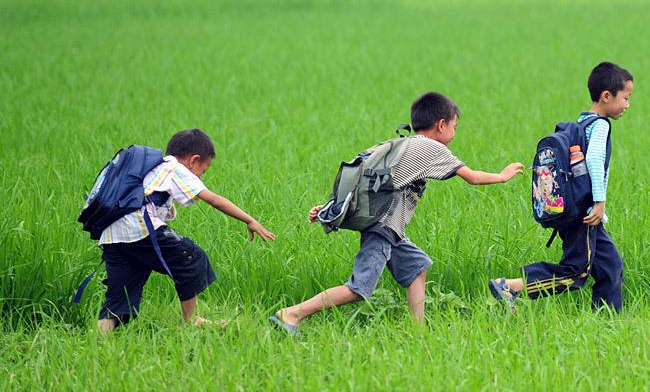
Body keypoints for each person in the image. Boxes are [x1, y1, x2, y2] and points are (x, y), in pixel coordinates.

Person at [272, 92, 524, 332]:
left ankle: (418, 331)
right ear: (441, 124)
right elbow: (472, 177)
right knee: (358, 288)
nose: (454, 134)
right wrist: (503, 176)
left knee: (417, 267)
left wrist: (329, 208)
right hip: (383, 227)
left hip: (389, 228)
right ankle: (293, 313)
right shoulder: (433, 148)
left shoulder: (398, 144)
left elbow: (358, 176)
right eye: (454, 127)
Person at [96, 128, 276, 332]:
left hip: (112, 235)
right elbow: (214, 200)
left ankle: (100, 343)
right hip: (138, 228)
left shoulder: (151, 168)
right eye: (203, 170)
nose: (201, 176)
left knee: (120, 297)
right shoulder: (174, 167)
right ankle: (191, 321)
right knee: (190, 257)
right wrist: (250, 220)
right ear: (193, 160)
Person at [490, 62, 633, 313]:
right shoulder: (600, 125)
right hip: (585, 213)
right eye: (625, 98)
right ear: (606, 96)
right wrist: (599, 201)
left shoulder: (581, 122)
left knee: (611, 266)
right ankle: (511, 286)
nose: (627, 105)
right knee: (574, 272)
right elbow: (595, 162)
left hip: (575, 208)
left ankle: (607, 323)